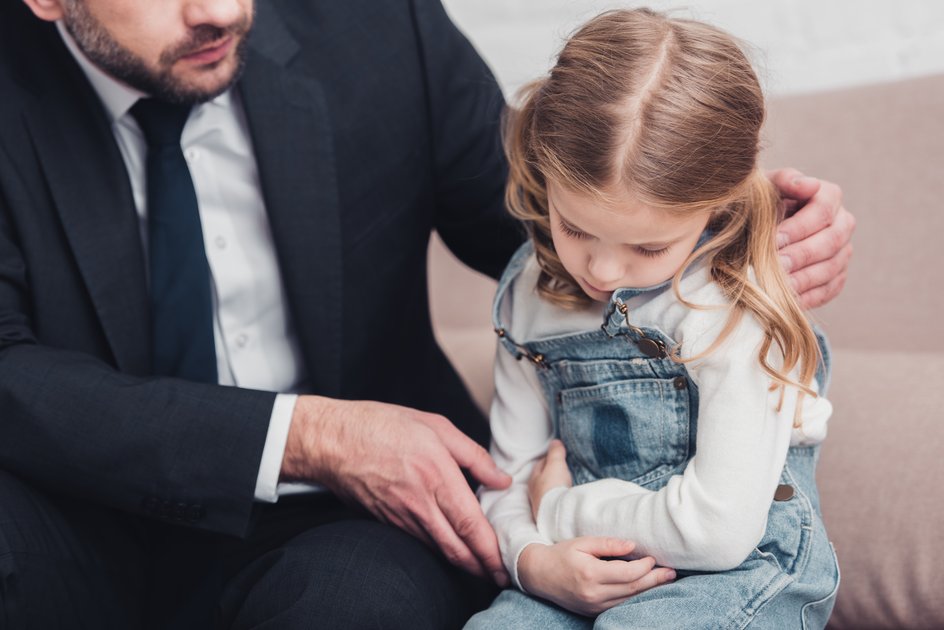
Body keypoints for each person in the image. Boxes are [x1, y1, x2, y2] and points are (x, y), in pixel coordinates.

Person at [0, 0, 850, 628]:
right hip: (73, 504)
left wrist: (728, 225)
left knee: (358, 608)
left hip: (356, 523)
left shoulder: (374, 24)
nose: (222, 10)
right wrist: (310, 436)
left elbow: (557, 217)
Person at [467, 8, 841, 629]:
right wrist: (533, 561)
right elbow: (510, 477)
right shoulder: (525, 298)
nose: (603, 271)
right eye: (576, 228)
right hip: (574, 567)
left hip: (739, 571)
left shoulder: (730, 303)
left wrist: (559, 510)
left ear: (714, 206)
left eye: (648, 247)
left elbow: (718, 531)